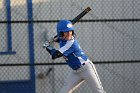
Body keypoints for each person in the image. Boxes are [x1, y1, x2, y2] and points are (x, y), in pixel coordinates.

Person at [43, 20, 106, 93]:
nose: (69, 34)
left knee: (99, 92)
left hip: (86, 69)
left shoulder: (71, 43)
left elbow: (56, 54)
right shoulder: (62, 39)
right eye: (66, 32)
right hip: (75, 72)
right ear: (60, 33)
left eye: (70, 31)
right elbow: (59, 39)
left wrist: (48, 46)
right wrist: (54, 39)